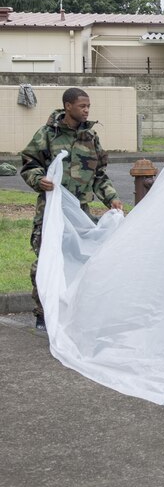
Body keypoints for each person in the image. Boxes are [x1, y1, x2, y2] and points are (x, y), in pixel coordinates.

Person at [20, 87, 123, 332]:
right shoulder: (47, 135)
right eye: (82, 106)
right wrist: (38, 180)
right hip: (52, 210)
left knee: (81, 259)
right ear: (68, 106)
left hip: (80, 212)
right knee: (47, 259)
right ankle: (43, 313)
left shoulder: (91, 137)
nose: (87, 110)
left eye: (88, 106)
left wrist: (113, 200)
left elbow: (99, 175)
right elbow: (29, 164)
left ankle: (73, 309)